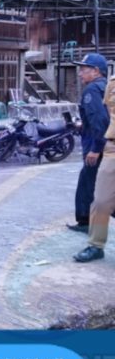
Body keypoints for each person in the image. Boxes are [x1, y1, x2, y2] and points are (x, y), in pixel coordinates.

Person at [74, 72, 115, 263]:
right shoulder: (111, 83)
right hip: (112, 147)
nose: (81, 73)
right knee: (101, 200)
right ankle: (96, 246)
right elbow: (106, 114)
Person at [67, 54, 109, 233]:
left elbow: (100, 121)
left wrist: (95, 149)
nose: (80, 74)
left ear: (96, 71)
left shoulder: (91, 90)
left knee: (91, 185)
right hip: (107, 144)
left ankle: (86, 222)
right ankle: (85, 220)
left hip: (97, 145)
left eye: (84, 70)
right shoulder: (107, 87)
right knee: (90, 182)